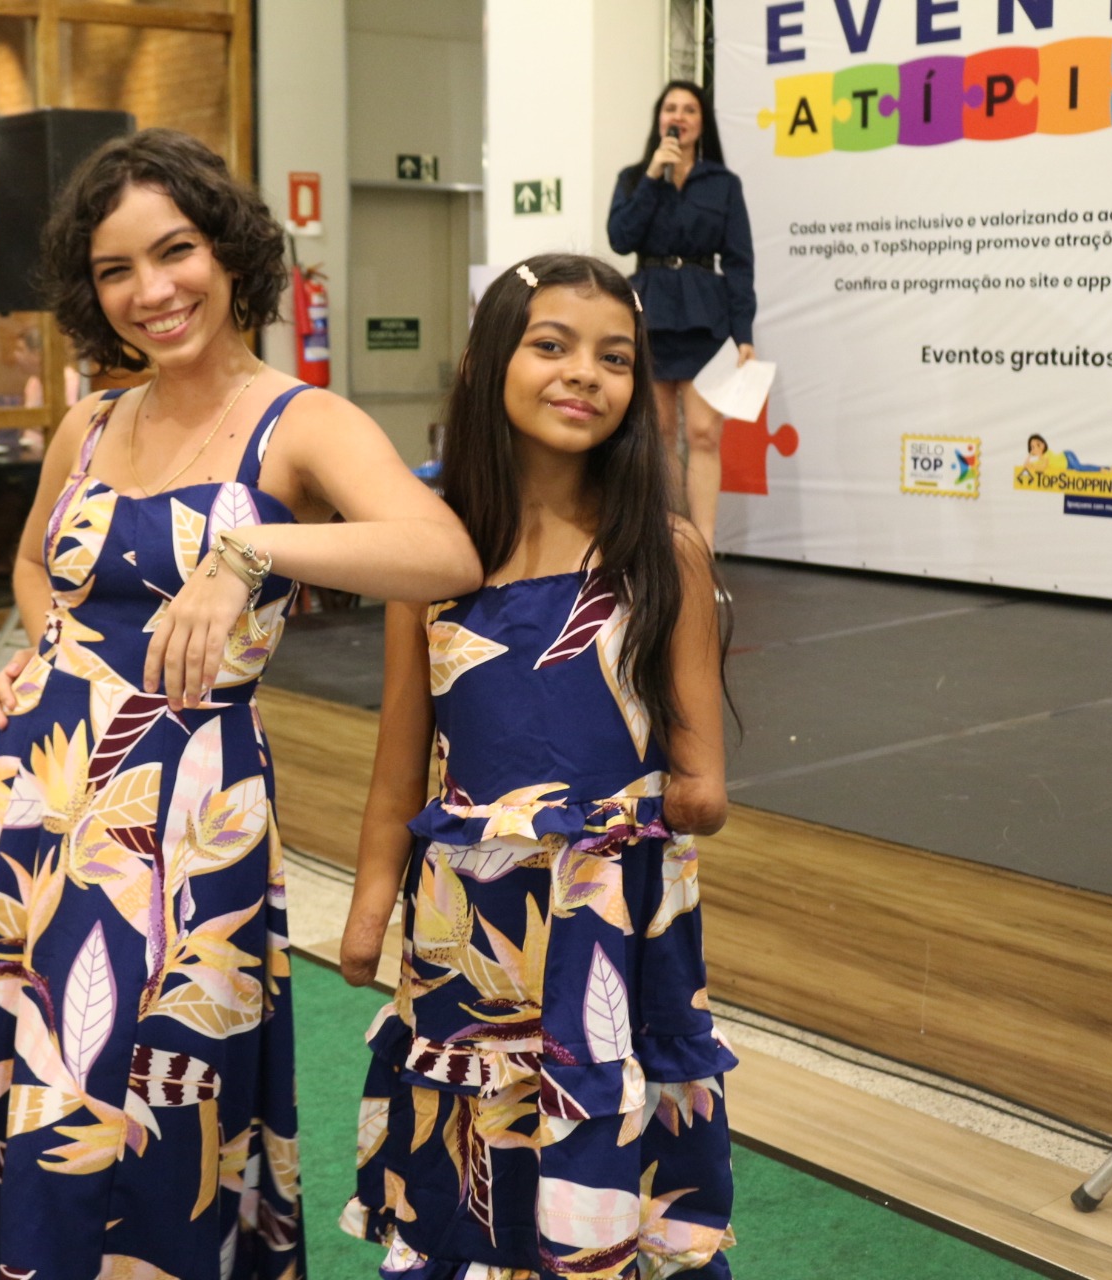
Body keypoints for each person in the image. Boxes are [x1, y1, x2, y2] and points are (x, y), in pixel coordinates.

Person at [0, 128, 483, 1280]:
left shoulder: (299, 422)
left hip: (185, 825)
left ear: (229, 251)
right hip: (24, 814)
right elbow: (34, 561)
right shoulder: (91, 420)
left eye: (175, 252)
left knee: (157, 1119)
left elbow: (444, 551)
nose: (152, 290)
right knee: (17, 1092)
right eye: (116, 270)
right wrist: (46, 644)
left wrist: (251, 549)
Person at [338, 255, 737, 1278]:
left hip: (610, 921)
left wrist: (673, 799)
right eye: (551, 345)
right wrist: (371, 901)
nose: (584, 374)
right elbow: (399, 762)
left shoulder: (667, 552)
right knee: (474, 1156)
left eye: (615, 358)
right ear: (487, 365)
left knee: (601, 1139)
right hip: (464, 923)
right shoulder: (431, 561)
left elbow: (703, 775)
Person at [608, 79, 756, 550]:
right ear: (659, 119)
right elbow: (620, 239)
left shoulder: (723, 184)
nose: (679, 116)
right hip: (649, 311)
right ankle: (669, 542)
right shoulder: (634, 177)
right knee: (660, 433)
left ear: (701, 122)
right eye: (671, 108)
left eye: (689, 109)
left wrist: (744, 332)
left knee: (704, 433)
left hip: (704, 314)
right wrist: (654, 175)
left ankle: (702, 548)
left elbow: (739, 261)